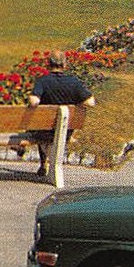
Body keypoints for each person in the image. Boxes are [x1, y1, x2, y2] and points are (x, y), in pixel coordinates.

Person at [27, 50, 95, 178]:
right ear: (64, 64)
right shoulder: (73, 82)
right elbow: (91, 102)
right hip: (65, 131)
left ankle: (43, 164)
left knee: (41, 126)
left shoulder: (42, 81)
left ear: (48, 64)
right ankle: (47, 165)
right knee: (49, 128)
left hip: (44, 132)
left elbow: (34, 101)